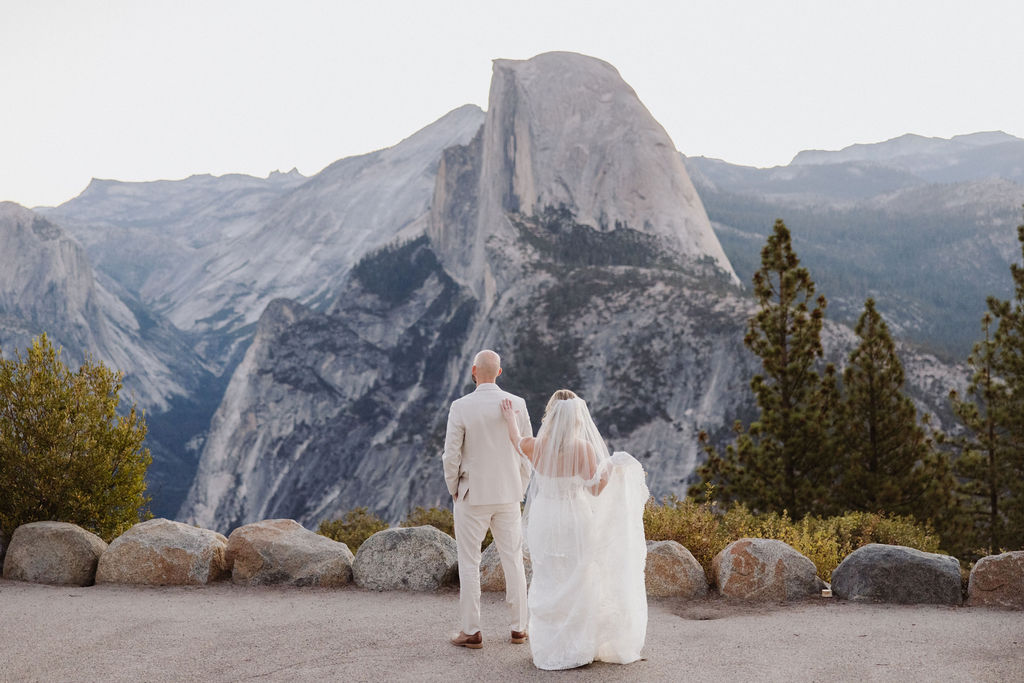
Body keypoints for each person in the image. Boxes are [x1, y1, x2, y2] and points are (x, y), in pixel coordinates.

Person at [500, 389, 649, 670]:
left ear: (551, 416)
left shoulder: (535, 445)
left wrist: (510, 418)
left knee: (547, 577)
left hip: (545, 518)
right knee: (577, 577)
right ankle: (577, 646)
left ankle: (549, 648)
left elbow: (516, 440)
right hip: (574, 519)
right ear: (578, 419)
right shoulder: (583, 449)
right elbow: (595, 490)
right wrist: (611, 469)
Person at [442, 349, 532, 649]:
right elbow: (526, 453)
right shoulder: (517, 404)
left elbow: (451, 454)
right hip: (508, 495)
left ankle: (472, 630)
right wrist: (519, 486)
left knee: (469, 562)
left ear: (473, 371)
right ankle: (520, 628)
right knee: (513, 561)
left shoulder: (460, 406)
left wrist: (454, 486)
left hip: (472, 495)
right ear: (500, 372)